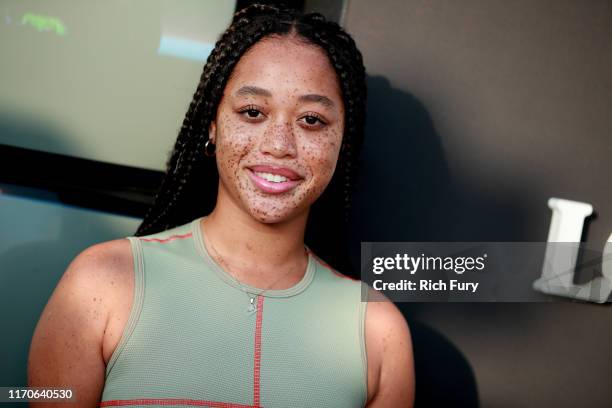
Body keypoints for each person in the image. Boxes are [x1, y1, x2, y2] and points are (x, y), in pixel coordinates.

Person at [28, 4, 414, 407]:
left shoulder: (379, 334)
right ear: (212, 124)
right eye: (252, 112)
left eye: (312, 120)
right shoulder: (100, 285)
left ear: (343, 140)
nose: (278, 145)